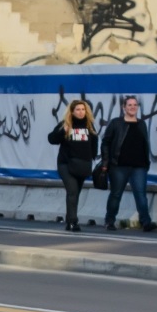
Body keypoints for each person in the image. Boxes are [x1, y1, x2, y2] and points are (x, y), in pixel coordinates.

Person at [101, 95, 157, 232]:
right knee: (116, 194)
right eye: (130, 105)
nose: (133, 107)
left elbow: (145, 144)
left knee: (141, 195)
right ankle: (109, 221)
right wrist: (106, 162)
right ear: (124, 107)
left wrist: (146, 162)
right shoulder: (116, 123)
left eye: (135, 105)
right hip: (118, 166)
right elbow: (105, 142)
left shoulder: (141, 123)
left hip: (139, 166)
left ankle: (146, 222)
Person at [46, 99, 98, 232]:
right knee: (72, 191)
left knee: (75, 194)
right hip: (66, 164)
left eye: (83, 109)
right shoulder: (66, 124)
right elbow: (51, 139)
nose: (81, 112)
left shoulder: (89, 126)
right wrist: (63, 131)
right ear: (72, 111)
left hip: (82, 165)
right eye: (78, 110)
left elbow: (94, 144)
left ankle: (70, 219)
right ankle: (73, 222)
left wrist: (91, 159)